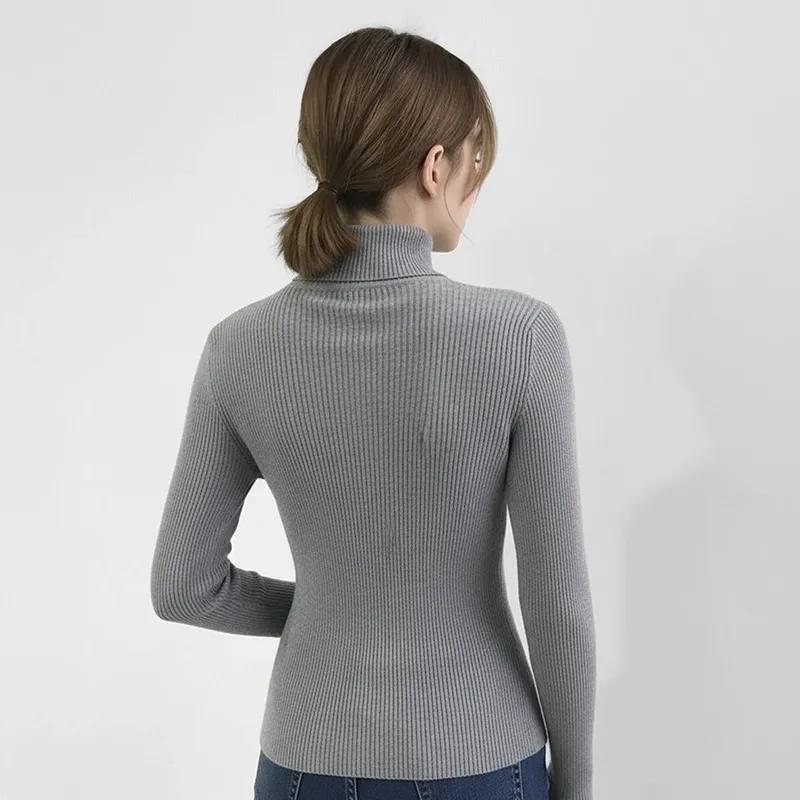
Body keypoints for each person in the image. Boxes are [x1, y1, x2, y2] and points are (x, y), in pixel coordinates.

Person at [150, 25, 596, 800]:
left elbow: (183, 587)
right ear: (435, 166)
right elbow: (555, 605)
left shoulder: (237, 347)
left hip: (302, 761)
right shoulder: (520, 335)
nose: (474, 187)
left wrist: (329, 608)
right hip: (480, 758)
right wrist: (578, 782)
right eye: (475, 163)